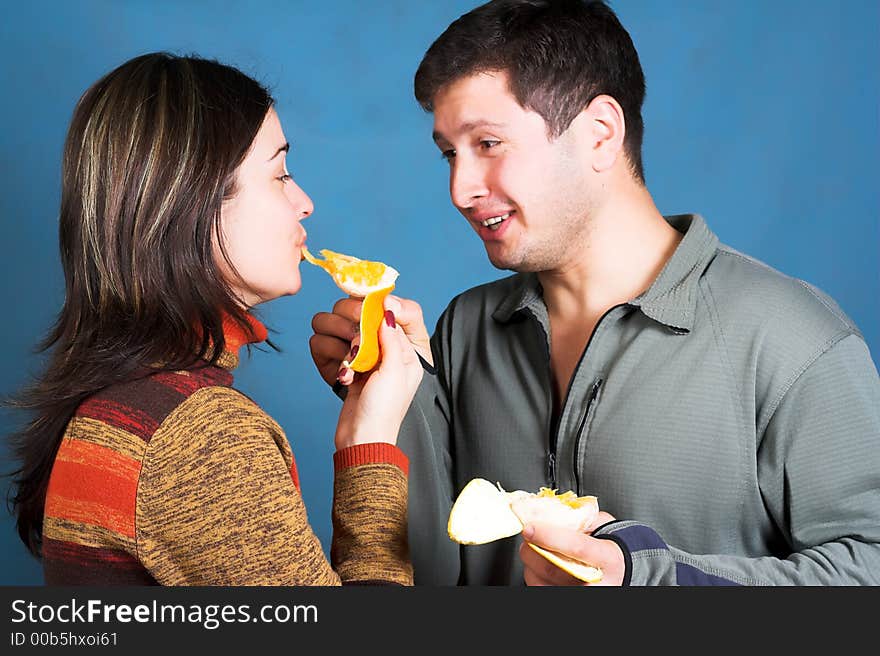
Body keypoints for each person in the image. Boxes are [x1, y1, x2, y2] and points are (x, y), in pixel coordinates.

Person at [310, 0, 880, 585]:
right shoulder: (465, 329)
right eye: (449, 153)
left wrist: (648, 584)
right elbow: (427, 573)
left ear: (600, 134)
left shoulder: (792, 338)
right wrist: (395, 402)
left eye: (487, 144)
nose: (460, 188)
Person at [6, 52, 422, 585]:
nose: (305, 203)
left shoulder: (125, 405)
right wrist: (369, 445)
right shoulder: (202, 437)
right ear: (195, 203)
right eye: (280, 174)